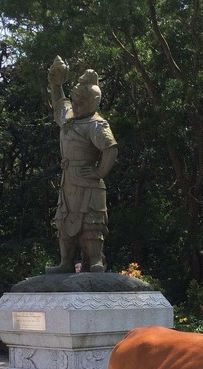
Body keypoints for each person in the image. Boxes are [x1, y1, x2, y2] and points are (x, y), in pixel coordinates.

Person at [45, 56, 118, 274]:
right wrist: (55, 84)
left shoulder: (96, 124)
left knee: (92, 221)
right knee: (64, 219)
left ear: (92, 103)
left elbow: (110, 148)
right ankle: (66, 261)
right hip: (68, 180)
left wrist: (100, 171)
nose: (75, 106)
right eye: (75, 101)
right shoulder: (69, 119)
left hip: (88, 180)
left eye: (80, 103)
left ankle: (94, 260)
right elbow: (60, 103)